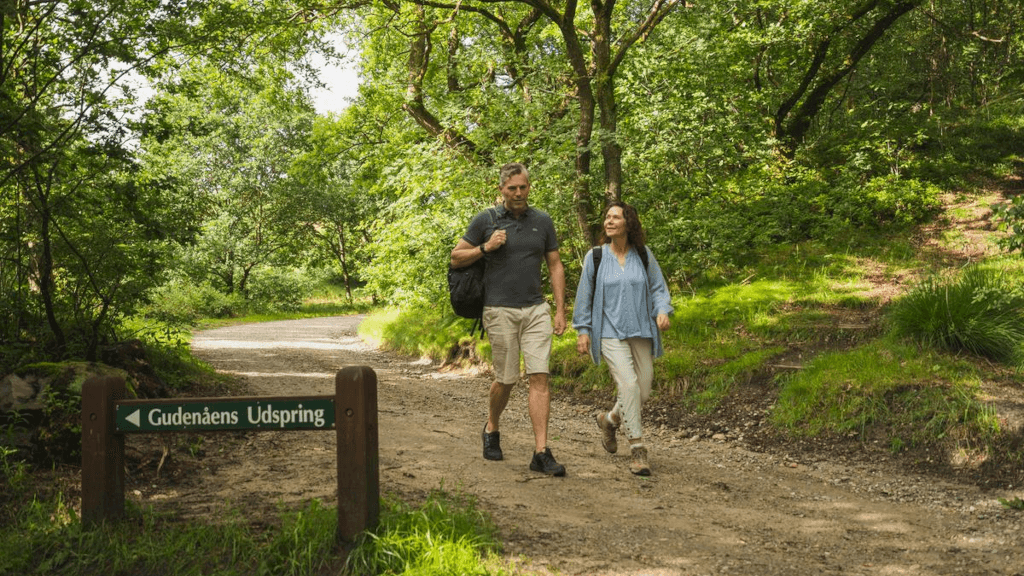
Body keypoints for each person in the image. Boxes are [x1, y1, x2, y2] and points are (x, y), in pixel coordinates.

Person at [450, 162, 568, 476]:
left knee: (539, 376)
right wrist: (485, 247)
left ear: (529, 187)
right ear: (501, 189)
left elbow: (555, 265)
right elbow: (455, 256)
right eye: (512, 188)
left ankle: (541, 452)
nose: (518, 193)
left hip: (535, 311)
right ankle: (491, 428)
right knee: (506, 379)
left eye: (523, 187)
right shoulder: (485, 220)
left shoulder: (542, 221)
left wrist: (559, 309)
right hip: (498, 310)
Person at [572, 201, 672, 476]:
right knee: (628, 383)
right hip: (608, 331)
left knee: (644, 389)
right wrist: (582, 329)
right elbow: (584, 296)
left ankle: (610, 419)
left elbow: (658, 288)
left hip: (641, 329)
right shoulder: (595, 256)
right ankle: (638, 449)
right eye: (607, 217)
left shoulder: (643, 254)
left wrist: (662, 310)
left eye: (616, 217)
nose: (610, 221)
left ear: (629, 223)